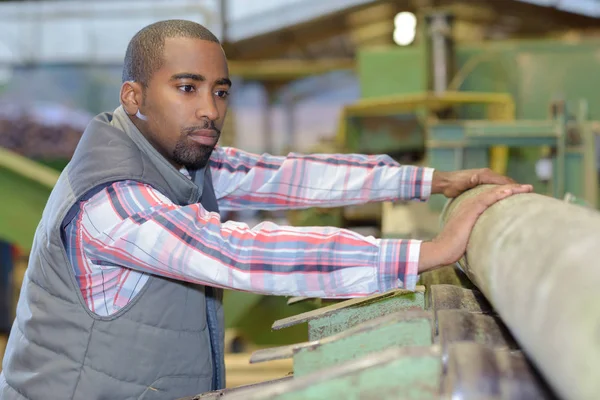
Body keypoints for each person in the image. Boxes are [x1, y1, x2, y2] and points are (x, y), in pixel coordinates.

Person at [0, 19, 532, 400]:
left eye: (221, 91)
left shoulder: (177, 158)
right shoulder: (112, 201)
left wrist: (434, 181)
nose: (210, 109)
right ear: (134, 97)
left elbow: (287, 176)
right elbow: (236, 252)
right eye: (187, 88)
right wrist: (428, 252)